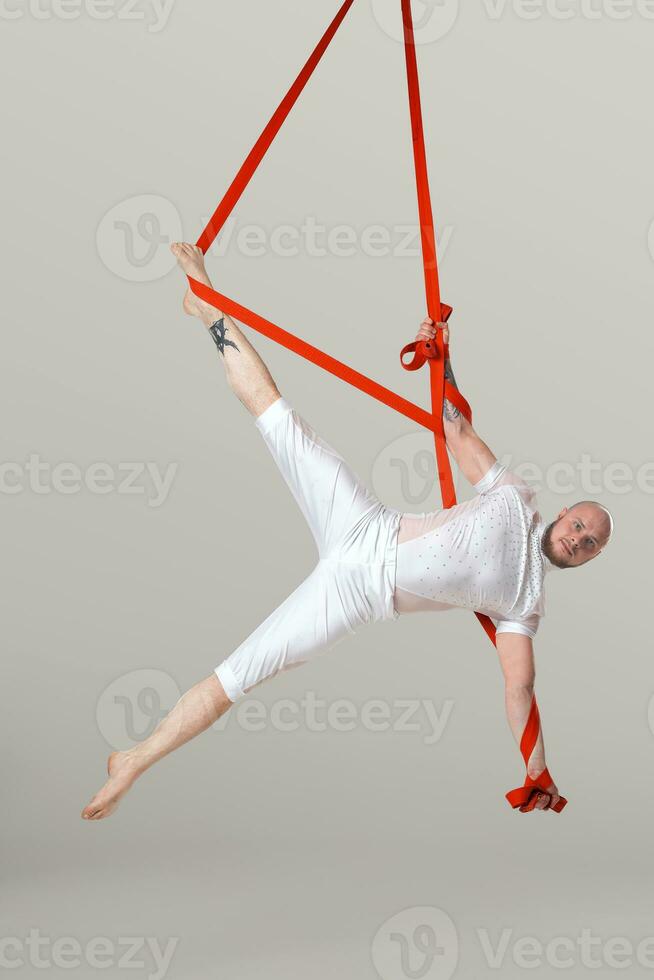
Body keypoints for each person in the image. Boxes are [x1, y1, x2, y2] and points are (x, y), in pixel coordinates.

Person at [81, 243, 613, 821]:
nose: (579, 538)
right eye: (580, 523)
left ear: (586, 561)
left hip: (354, 598)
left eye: (590, 544)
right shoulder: (514, 496)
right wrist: (443, 356)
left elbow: (521, 691)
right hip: (362, 523)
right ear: (562, 513)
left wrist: (536, 769)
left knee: (235, 678)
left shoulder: (525, 603)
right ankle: (205, 304)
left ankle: (133, 759)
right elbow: (456, 428)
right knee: (278, 416)